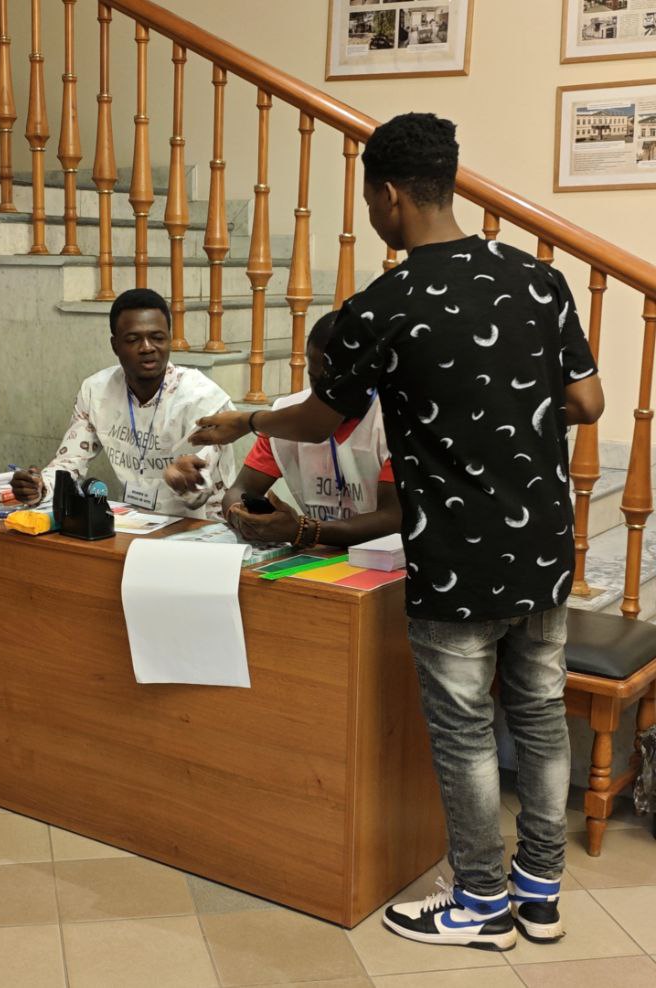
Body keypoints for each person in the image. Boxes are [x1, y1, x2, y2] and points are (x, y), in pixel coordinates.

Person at [190, 112, 604, 951]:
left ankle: (481, 903)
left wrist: (246, 420)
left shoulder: (383, 305)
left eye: (370, 201)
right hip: (543, 545)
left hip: (454, 557)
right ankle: (540, 894)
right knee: (538, 715)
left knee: (464, 730)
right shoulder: (541, 280)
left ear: (387, 195)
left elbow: (320, 417)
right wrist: (509, 409)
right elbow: (587, 403)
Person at [169, 311, 400, 547]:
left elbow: (392, 519)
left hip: (389, 559)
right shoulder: (285, 415)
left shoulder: (396, 420)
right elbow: (240, 489)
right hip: (320, 556)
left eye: (339, 383)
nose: (326, 394)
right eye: (316, 380)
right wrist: (241, 515)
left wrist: (304, 530)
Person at [10, 288, 237, 518]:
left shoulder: (202, 399)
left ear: (169, 339)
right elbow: (70, 463)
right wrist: (40, 487)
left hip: (204, 527)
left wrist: (186, 480)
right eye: (133, 339)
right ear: (115, 345)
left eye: (157, 338)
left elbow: (200, 493)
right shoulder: (96, 391)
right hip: (137, 522)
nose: (147, 347)